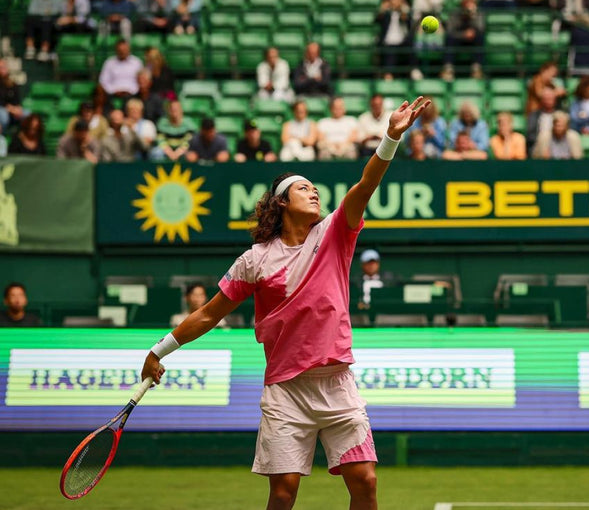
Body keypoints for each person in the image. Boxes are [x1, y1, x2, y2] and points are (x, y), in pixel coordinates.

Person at [140, 96, 430, 510]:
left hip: (337, 384)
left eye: (314, 188)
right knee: (284, 491)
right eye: (302, 188)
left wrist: (390, 137)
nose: (313, 192)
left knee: (365, 482)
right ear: (281, 202)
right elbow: (209, 313)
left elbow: (367, 183)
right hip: (286, 390)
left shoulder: (334, 233)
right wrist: (159, 350)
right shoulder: (255, 259)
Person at [441, 0, 485, 80]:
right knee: (449, 38)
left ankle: (477, 69)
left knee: (480, 37)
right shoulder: (455, 13)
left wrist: (472, 16)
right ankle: (448, 69)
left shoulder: (478, 13)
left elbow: (481, 28)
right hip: (458, 39)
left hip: (472, 39)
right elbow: (450, 31)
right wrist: (463, 34)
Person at [375, 0, 418, 81]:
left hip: (402, 42)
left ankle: (414, 70)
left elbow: (409, 24)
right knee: (390, 50)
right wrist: (382, 10)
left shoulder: (405, 12)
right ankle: (388, 75)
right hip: (388, 42)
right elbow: (376, 20)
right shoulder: (386, 13)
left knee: (410, 45)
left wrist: (403, 13)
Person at [526, 87, 561, 152]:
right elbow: (531, 136)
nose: (548, 102)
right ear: (541, 100)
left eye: (550, 99)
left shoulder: (561, 114)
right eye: (546, 99)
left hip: (558, 145)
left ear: (555, 100)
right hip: (539, 146)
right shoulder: (534, 116)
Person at [0, 59, 25, 133]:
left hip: (13, 109)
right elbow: (1, 102)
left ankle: (22, 138)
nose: (3, 69)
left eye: (4, 67)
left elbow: (17, 100)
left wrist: (18, 109)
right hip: (2, 109)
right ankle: (2, 138)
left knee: (28, 114)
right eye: (1, 67)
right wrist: (11, 109)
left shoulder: (12, 83)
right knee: (4, 117)